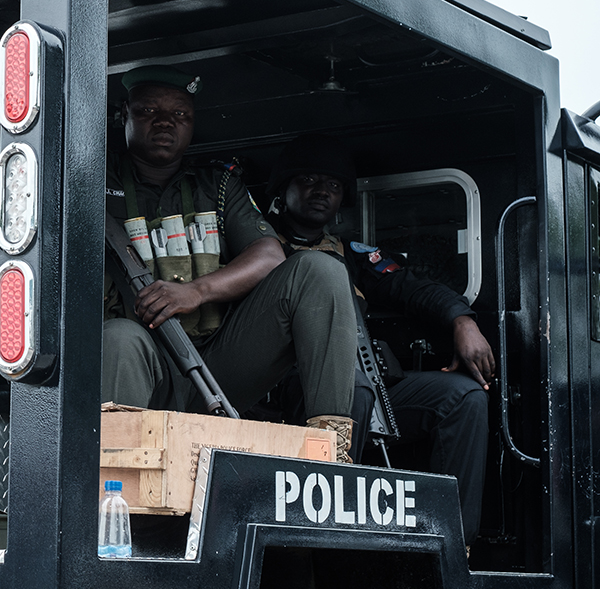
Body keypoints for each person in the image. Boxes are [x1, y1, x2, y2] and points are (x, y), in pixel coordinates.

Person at [101, 66, 358, 461]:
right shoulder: (90, 180)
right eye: (150, 111)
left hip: (218, 364)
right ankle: (118, 479)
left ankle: (331, 450)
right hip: (137, 364)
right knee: (119, 336)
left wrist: (195, 291)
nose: (167, 122)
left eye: (181, 114)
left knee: (321, 270)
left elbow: (270, 255)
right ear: (125, 115)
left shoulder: (217, 185)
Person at [262, 133, 491, 544]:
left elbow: (412, 287)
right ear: (284, 187)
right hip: (286, 387)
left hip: (364, 382)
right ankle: (333, 539)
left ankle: (453, 541)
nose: (322, 192)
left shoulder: (350, 253)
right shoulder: (258, 248)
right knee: (355, 393)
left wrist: (462, 319)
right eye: (310, 180)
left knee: (462, 397)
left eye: (333, 185)